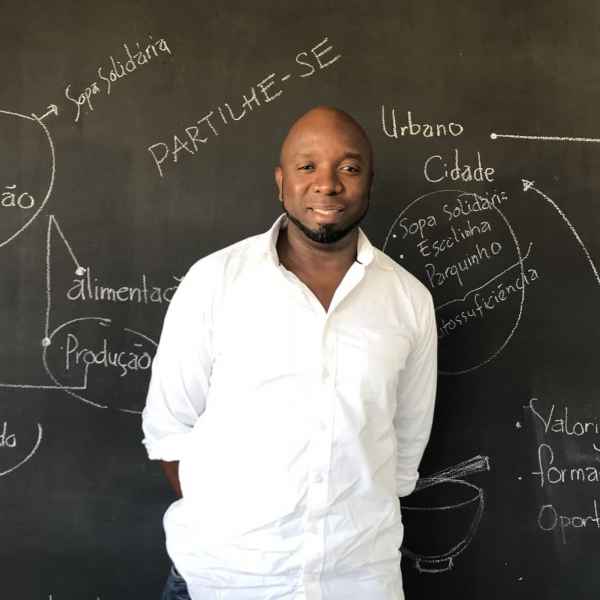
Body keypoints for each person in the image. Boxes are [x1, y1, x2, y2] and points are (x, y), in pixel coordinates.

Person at [142, 106, 438, 600]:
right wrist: (239, 529)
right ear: (282, 182)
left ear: (369, 182)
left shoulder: (409, 301)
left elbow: (405, 449)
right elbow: (170, 432)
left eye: (348, 167)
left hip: (357, 583)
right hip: (225, 583)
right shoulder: (214, 282)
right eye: (307, 166)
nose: (327, 184)